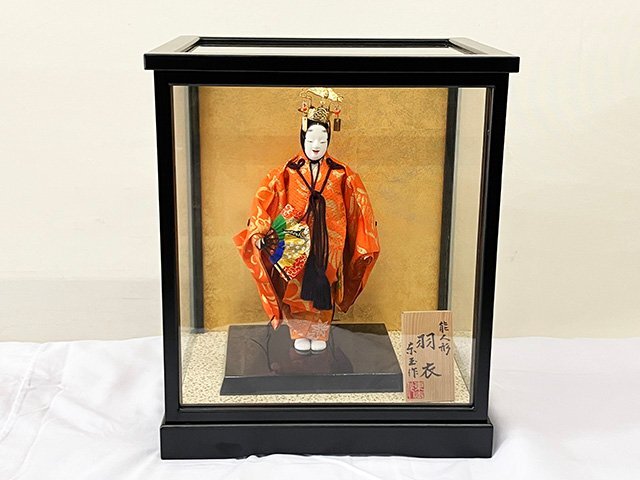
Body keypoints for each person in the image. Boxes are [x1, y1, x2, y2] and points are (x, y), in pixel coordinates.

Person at [234, 88, 379, 353]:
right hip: (294, 239)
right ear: (302, 138)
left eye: (322, 139)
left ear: (329, 140)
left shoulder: (341, 173)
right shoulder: (287, 172)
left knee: (327, 282)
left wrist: (365, 231)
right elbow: (266, 198)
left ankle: (320, 332)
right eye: (311, 138)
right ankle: (299, 331)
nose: (316, 145)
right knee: (295, 284)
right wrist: (261, 228)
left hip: (331, 239)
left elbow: (358, 205)